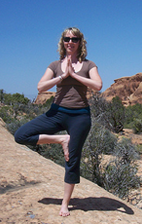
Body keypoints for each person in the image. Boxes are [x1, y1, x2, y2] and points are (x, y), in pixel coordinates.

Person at [14, 27, 102, 216]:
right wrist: (62, 75)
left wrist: (74, 75)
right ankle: (61, 139)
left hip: (79, 116)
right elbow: (40, 87)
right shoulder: (54, 65)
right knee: (21, 135)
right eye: (66, 38)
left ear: (80, 42)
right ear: (63, 42)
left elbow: (98, 85)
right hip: (56, 112)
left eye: (74, 38)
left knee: (72, 159)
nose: (70, 42)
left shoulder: (89, 65)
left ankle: (65, 203)